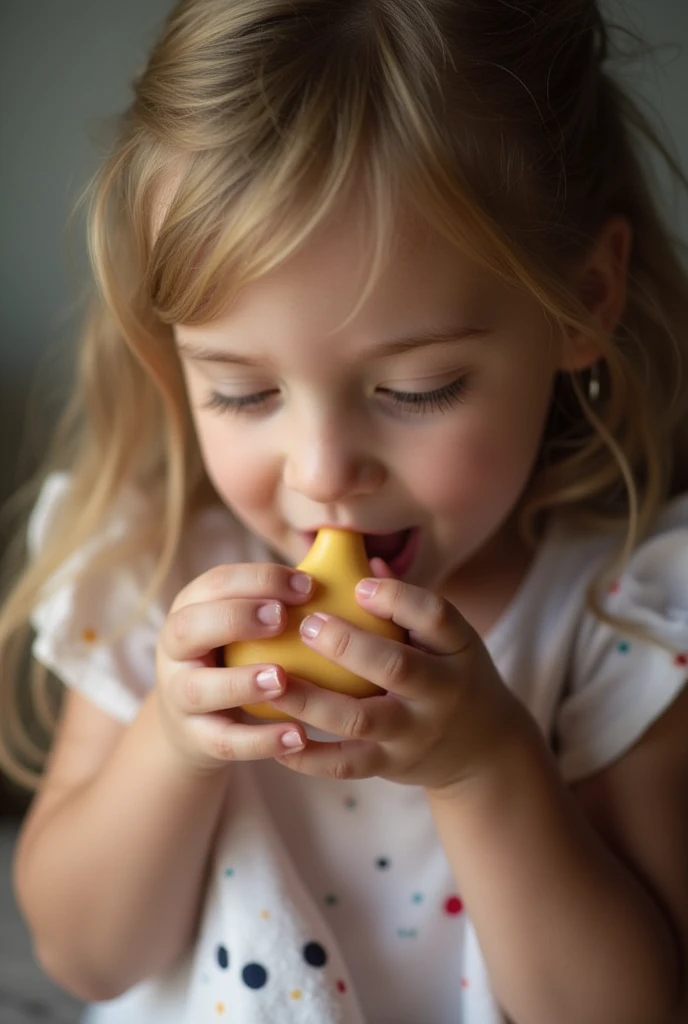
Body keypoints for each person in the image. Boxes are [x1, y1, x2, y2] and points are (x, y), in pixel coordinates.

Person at [1, 0, 688, 1021]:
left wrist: (486, 764)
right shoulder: (151, 573)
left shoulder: (621, 617)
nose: (323, 472)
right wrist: (175, 740)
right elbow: (84, 954)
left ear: (582, 300)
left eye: (416, 389)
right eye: (242, 392)